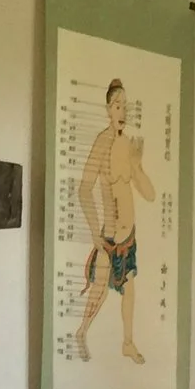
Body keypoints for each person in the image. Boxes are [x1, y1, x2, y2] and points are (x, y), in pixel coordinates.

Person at [73, 78, 155, 366]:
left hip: (128, 236)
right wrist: (95, 232)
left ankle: (127, 343)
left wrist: (137, 165)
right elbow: (84, 189)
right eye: (118, 105)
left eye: (126, 106)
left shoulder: (128, 145)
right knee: (99, 289)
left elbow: (150, 194)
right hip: (108, 235)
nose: (123, 111)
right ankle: (82, 331)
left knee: (129, 288)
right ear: (108, 109)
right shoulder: (102, 143)